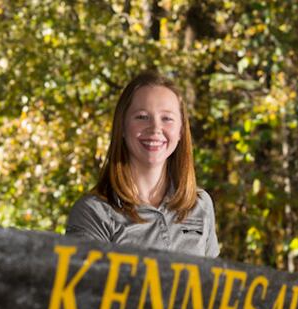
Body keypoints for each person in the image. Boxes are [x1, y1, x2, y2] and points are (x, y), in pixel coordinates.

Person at [66, 71, 219, 258]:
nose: (155, 128)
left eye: (167, 118)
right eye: (142, 117)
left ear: (180, 131)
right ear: (121, 127)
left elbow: (212, 284)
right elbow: (86, 285)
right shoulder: (93, 212)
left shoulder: (200, 204)